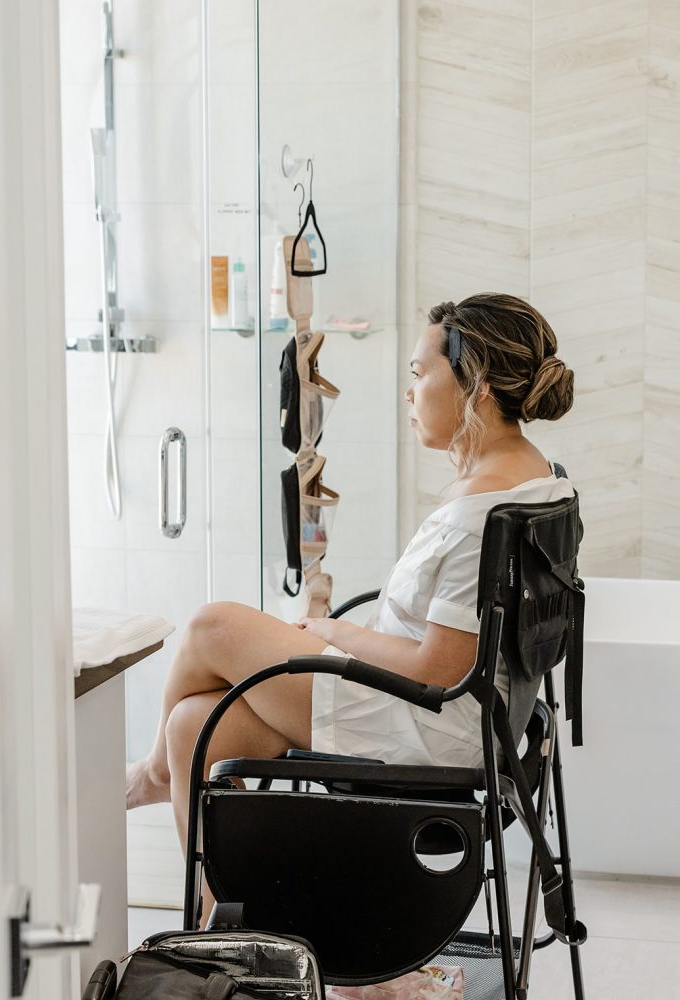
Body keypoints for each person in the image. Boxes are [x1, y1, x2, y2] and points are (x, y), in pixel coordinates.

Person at [126, 292, 575, 917]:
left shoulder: (483, 516)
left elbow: (440, 669)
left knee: (212, 626)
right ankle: (216, 924)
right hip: (452, 713)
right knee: (193, 728)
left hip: (424, 721)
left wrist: (338, 635)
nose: (410, 390)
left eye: (420, 373)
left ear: (476, 386)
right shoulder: (535, 478)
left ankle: (149, 776)